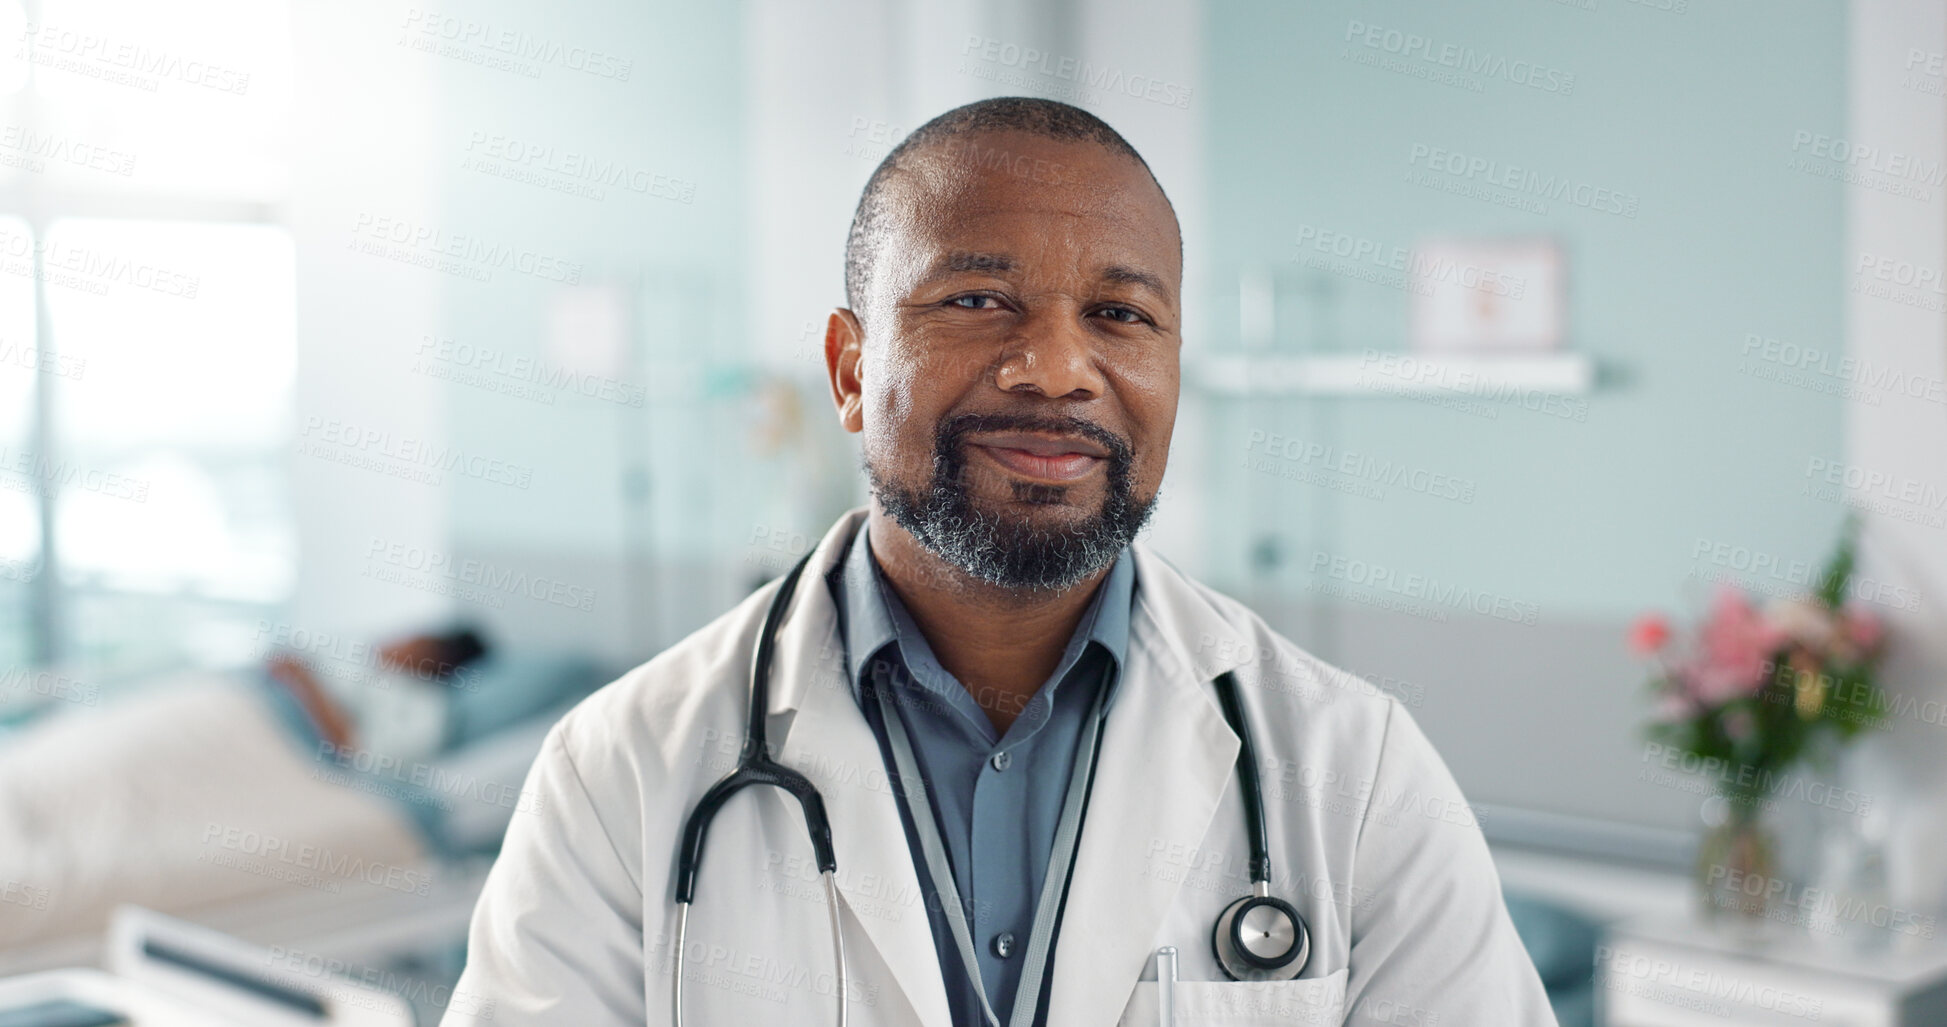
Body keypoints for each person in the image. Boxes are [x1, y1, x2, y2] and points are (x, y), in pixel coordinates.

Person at [445, 97, 1557, 1026]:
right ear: (848, 368)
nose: (1059, 368)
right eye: (978, 301)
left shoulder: (1350, 773)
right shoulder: (622, 770)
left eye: (1120, 313)